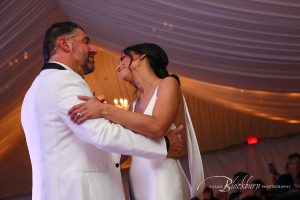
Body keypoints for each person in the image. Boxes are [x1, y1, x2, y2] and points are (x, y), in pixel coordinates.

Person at [21, 22, 184, 200]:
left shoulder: (41, 85)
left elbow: (91, 144)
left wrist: (106, 114)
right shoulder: (63, 81)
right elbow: (102, 135)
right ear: (65, 44)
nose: (93, 49)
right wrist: (164, 146)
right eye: (85, 41)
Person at [68, 43, 204, 199]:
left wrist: (105, 110)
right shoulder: (133, 105)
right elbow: (122, 153)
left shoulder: (168, 83)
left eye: (123, 59)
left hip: (161, 175)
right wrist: (99, 118)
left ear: (142, 56)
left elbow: (157, 126)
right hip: (138, 179)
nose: (118, 67)